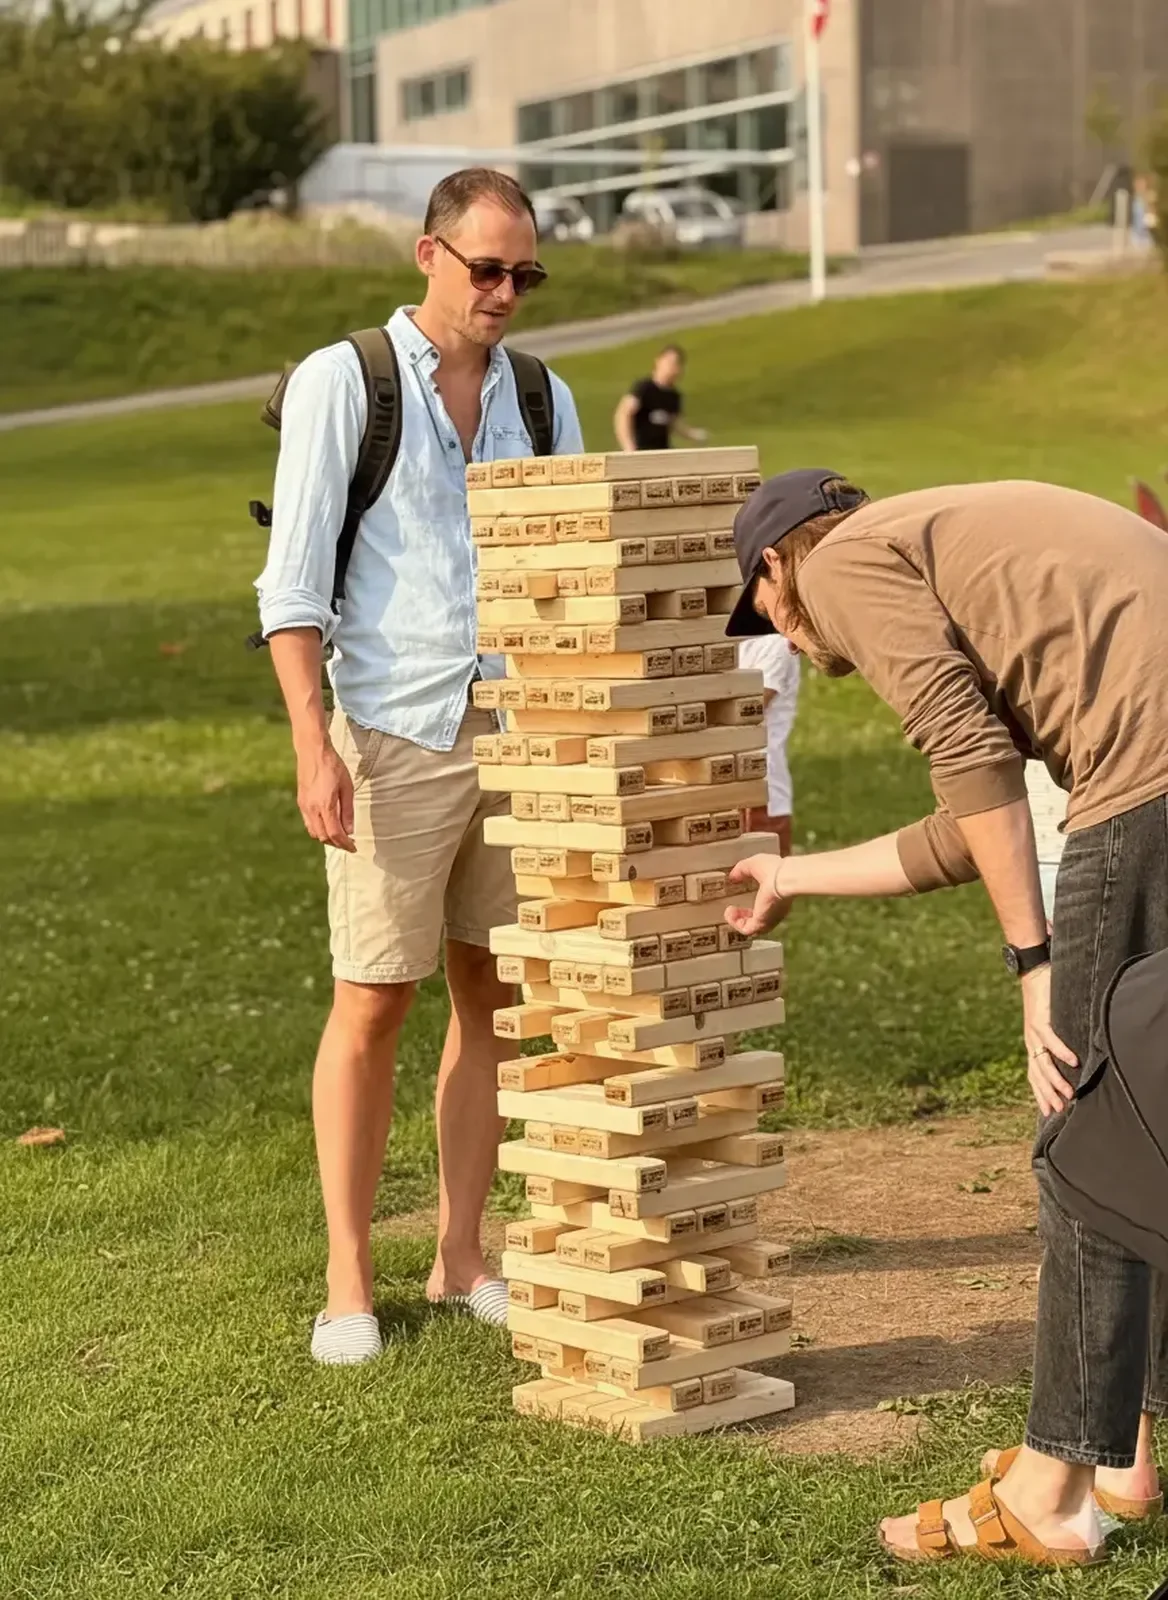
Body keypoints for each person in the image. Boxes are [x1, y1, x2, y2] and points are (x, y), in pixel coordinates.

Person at [723, 470, 1168, 1567]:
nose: (783, 635)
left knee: (1088, 1142)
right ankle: (1124, 1451)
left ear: (779, 562)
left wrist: (1032, 961)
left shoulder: (843, 561)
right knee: (1151, 1122)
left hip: (1147, 782)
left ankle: (1051, 1491)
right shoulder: (948, 546)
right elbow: (964, 824)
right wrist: (790, 874)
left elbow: (968, 758)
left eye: (762, 608)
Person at [255, 168, 584, 1364]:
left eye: (523, 274)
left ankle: (460, 1256)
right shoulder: (346, 381)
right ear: (427, 254)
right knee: (373, 998)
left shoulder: (542, 396)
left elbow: (574, 568)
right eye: (486, 268)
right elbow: (293, 582)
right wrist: (313, 743)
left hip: (518, 728)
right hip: (391, 731)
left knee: (487, 994)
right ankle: (348, 1277)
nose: (504, 292)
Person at [737, 635, 799, 855]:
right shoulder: (727, 641)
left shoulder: (777, 645)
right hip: (725, 786)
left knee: (767, 871)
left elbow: (748, 709)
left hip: (763, 787)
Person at [612, 344, 708, 453]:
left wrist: (693, 435)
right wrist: (628, 447)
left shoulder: (673, 396)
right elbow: (623, 414)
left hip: (662, 450)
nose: (672, 368)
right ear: (658, 361)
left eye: (676, 364)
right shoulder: (643, 388)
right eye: (669, 363)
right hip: (641, 450)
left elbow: (674, 423)